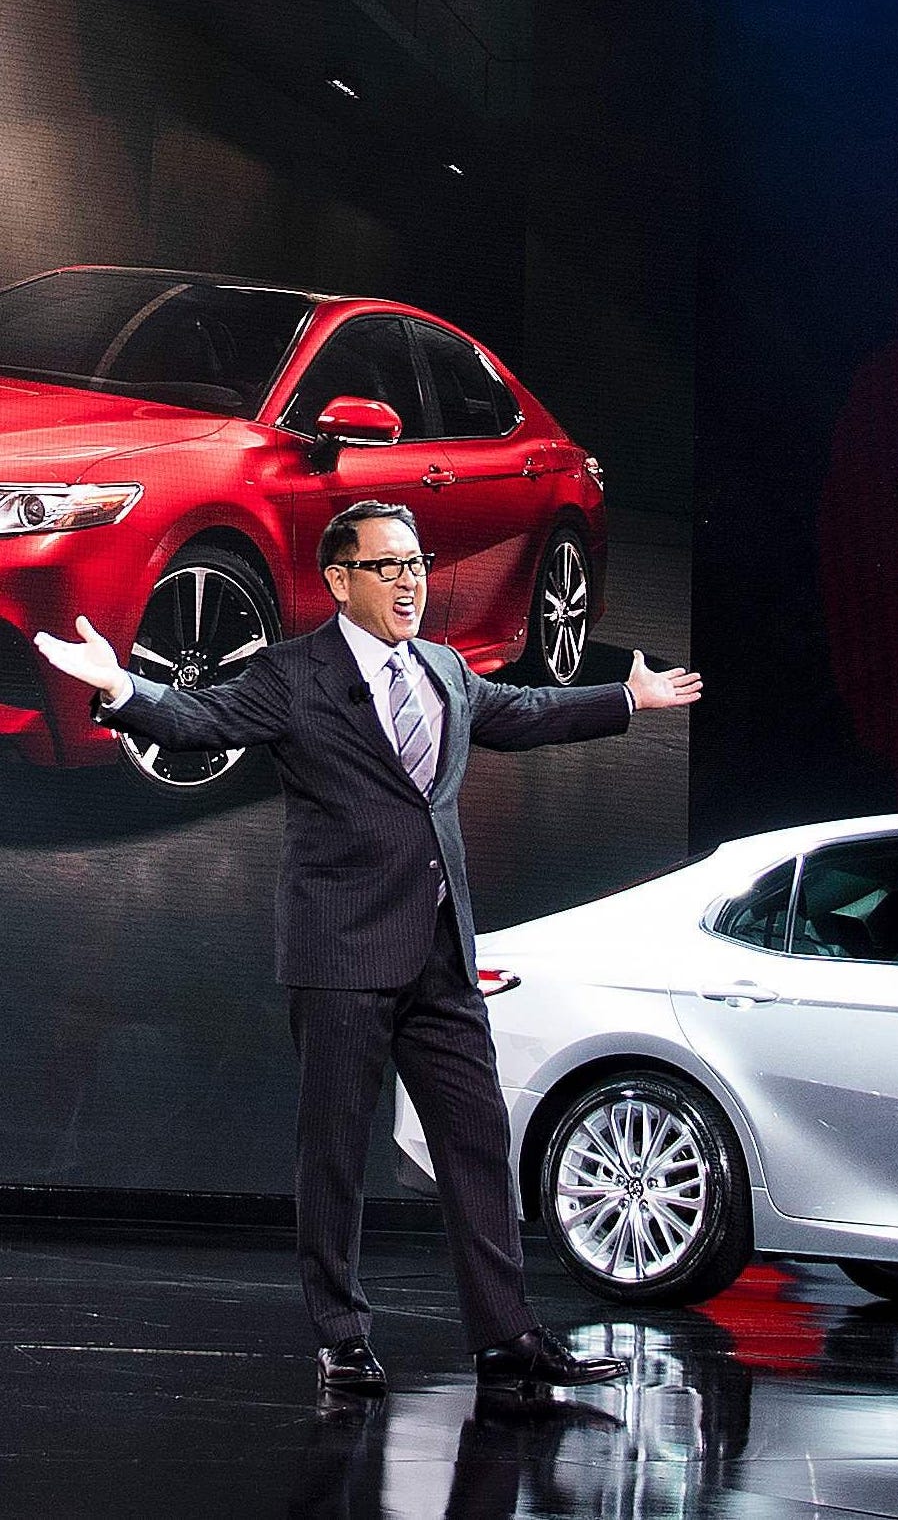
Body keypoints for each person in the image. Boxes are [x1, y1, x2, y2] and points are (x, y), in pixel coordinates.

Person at [34, 499, 702, 1397]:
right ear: (341, 580)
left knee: (475, 1143)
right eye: (387, 566)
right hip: (342, 954)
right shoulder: (292, 675)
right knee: (337, 1152)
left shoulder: (443, 667)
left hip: (438, 952)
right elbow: (200, 720)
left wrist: (627, 695)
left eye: (417, 562)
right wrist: (122, 690)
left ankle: (507, 1337)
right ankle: (341, 1337)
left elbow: (523, 708)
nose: (410, 580)